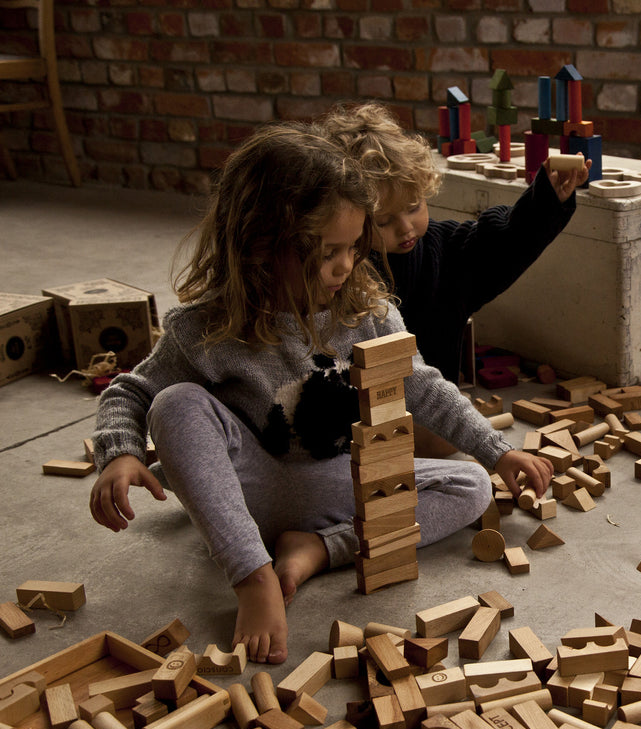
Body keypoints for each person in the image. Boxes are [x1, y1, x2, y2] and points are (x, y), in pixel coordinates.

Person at [88, 123, 553, 665]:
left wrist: (495, 451)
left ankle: (317, 549)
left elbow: (421, 384)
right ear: (262, 244)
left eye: (355, 247)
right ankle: (252, 574)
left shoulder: (370, 311)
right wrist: (119, 452)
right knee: (175, 405)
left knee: (470, 485)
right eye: (329, 251)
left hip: (336, 483)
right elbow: (132, 390)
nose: (346, 266)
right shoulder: (205, 328)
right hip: (250, 490)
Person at [314, 103, 590, 454]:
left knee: (447, 439)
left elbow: (503, 244)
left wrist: (548, 200)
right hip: (357, 423)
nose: (405, 227)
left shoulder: (445, 251)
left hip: (430, 411)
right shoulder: (339, 272)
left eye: (414, 206)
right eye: (383, 221)